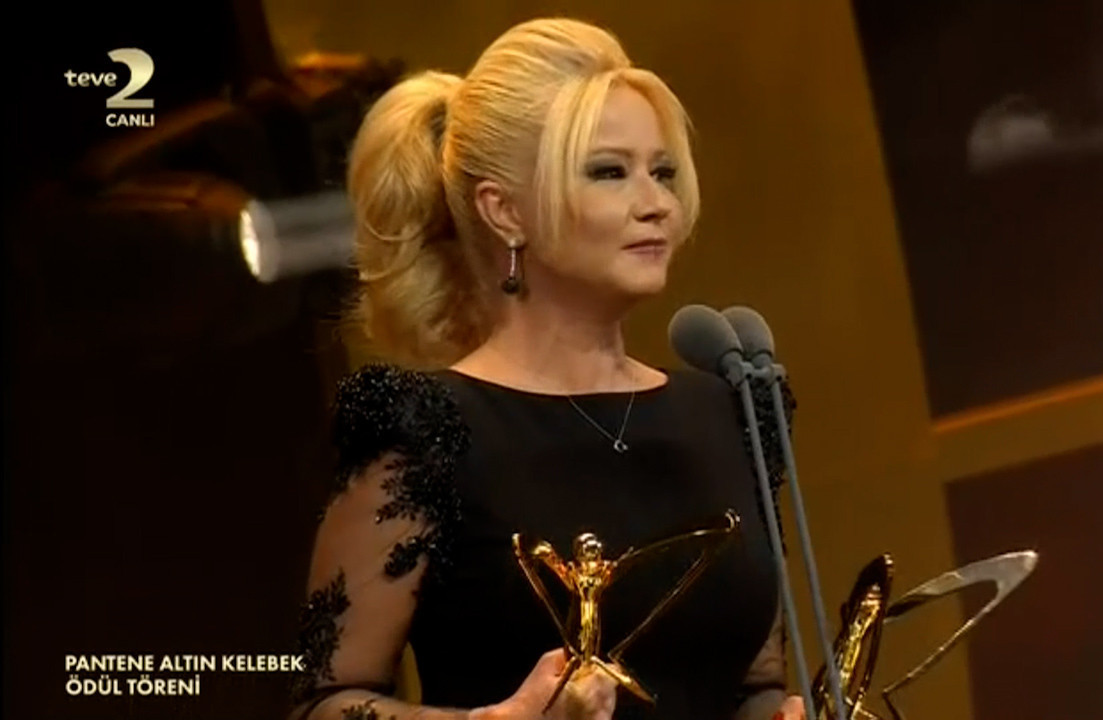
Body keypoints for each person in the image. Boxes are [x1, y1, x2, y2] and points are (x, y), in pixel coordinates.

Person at [288, 17, 805, 720]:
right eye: (609, 172)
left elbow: (755, 683)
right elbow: (325, 703)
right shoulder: (424, 431)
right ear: (505, 212)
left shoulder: (724, 410)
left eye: (661, 172)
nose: (656, 203)